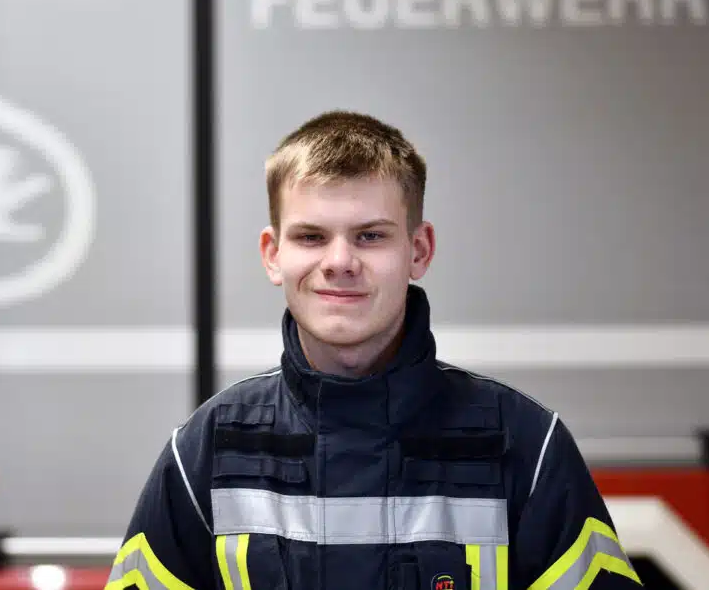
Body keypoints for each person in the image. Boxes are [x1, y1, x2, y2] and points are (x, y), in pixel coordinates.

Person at [106, 111, 643, 590]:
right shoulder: (207, 450)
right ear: (273, 255)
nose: (339, 261)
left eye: (370, 236)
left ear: (419, 249)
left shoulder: (524, 444)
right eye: (311, 237)